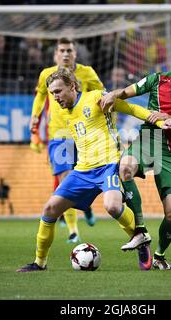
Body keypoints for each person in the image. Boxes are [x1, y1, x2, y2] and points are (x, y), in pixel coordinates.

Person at [16, 69, 171, 272]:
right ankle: (39, 263)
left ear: (72, 86)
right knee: (50, 209)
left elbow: (132, 109)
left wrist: (159, 121)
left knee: (113, 207)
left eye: (58, 91)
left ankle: (141, 241)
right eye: (52, 93)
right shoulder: (63, 113)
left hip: (109, 164)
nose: (54, 97)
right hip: (83, 170)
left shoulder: (97, 97)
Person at [100, 44, 171, 270]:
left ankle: (159, 256)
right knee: (125, 167)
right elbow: (127, 92)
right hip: (148, 142)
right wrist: (112, 94)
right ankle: (140, 230)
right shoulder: (158, 80)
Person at [29, 38, 103, 243]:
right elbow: (40, 96)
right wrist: (35, 117)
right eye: (61, 50)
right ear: (55, 54)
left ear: (75, 53)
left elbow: (102, 95)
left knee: (82, 181)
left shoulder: (87, 73)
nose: (66, 54)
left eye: (69, 50)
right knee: (66, 181)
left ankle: (86, 206)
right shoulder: (46, 74)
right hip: (59, 134)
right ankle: (73, 231)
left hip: (83, 134)